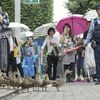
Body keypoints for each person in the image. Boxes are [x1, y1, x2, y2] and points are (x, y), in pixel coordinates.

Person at [84, 2, 100, 84]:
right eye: (98, 10)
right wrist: (86, 42)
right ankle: (98, 78)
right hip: (97, 45)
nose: (99, 11)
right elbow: (90, 33)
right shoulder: (94, 21)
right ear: (97, 11)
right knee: (97, 61)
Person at [0, 6, 9, 72]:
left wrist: (1, 19)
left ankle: (3, 70)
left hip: (3, 37)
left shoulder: (5, 14)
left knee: (4, 55)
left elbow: (7, 24)